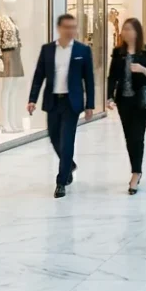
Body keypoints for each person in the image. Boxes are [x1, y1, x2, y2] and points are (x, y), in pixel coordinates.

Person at [27, 14, 95, 198]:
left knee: (67, 141)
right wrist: (32, 99)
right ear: (59, 28)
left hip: (71, 103)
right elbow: (39, 76)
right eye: (67, 27)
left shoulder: (83, 50)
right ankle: (70, 165)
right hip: (53, 101)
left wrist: (90, 104)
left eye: (74, 27)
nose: (71, 30)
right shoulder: (48, 50)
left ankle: (61, 181)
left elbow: (89, 79)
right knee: (54, 137)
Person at [107, 18, 146, 195]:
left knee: (137, 136)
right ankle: (136, 169)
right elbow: (112, 76)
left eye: (129, 29)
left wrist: (143, 70)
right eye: (124, 29)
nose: (126, 32)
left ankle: (136, 174)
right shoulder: (118, 52)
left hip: (142, 101)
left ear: (137, 31)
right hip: (123, 100)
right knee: (130, 138)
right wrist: (108, 97)